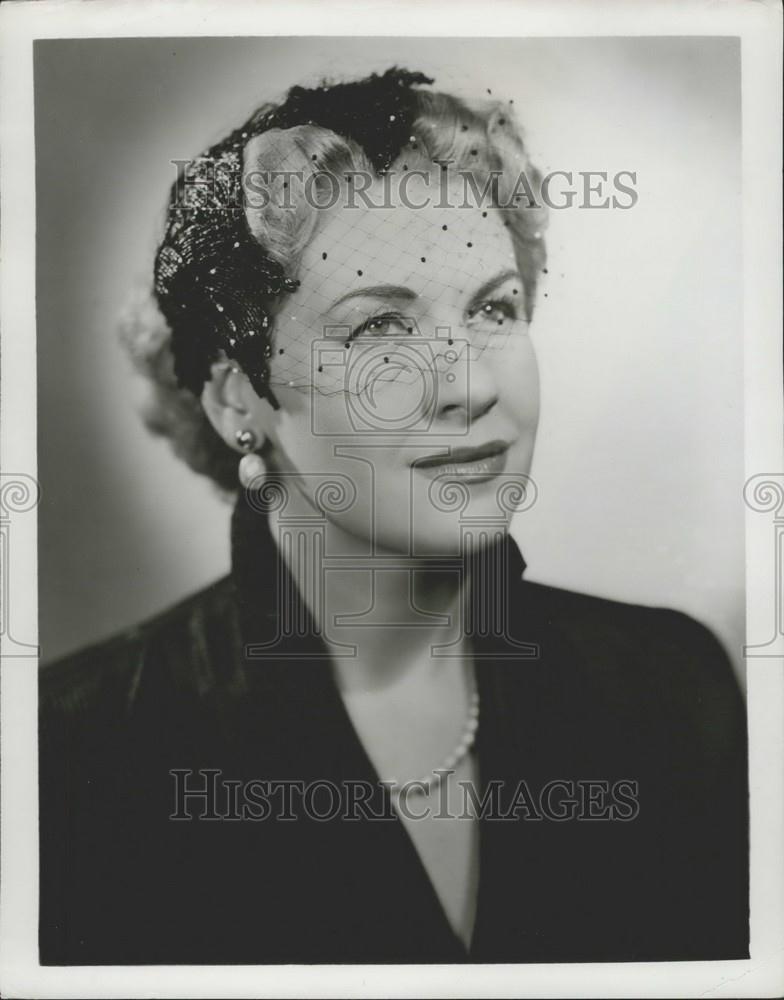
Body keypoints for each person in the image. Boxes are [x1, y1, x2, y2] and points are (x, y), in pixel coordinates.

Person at [38, 67, 748, 965]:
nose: (468, 386)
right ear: (236, 400)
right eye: (380, 329)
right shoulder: (70, 759)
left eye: (495, 308)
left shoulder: (672, 694)